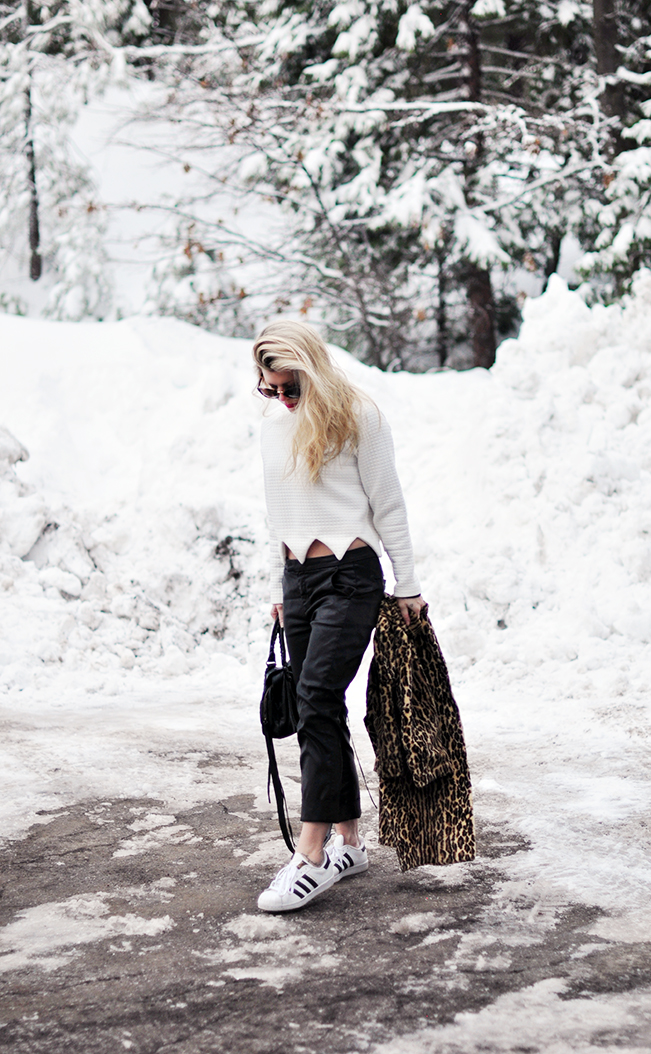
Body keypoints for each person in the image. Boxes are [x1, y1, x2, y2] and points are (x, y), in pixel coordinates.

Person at [253, 320, 426, 912]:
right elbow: (277, 512)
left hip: (351, 576)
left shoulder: (360, 416)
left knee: (318, 697)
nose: (281, 399)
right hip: (299, 579)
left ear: (314, 369)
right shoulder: (273, 428)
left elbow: (390, 501)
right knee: (312, 706)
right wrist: (280, 583)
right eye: (269, 389)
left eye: (290, 387)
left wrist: (408, 585)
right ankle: (350, 839)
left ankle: (311, 854)